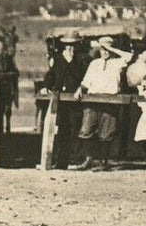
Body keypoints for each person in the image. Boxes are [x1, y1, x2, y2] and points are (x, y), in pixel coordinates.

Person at [72, 35, 132, 171]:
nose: (104, 52)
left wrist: (112, 49)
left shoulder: (117, 62)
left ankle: (104, 161)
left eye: (107, 49)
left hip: (110, 101)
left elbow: (129, 57)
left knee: (107, 132)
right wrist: (79, 89)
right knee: (86, 130)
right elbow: (86, 81)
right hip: (93, 99)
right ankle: (88, 159)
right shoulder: (94, 63)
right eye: (102, 49)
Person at [41, 33, 88, 168]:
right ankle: (61, 162)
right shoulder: (58, 58)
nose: (69, 48)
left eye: (72, 45)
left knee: (75, 129)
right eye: (67, 45)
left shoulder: (82, 59)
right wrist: (46, 86)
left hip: (75, 100)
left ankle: (76, 159)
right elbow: (52, 75)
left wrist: (71, 62)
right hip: (60, 100)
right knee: (61, 130)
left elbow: (81, 77)